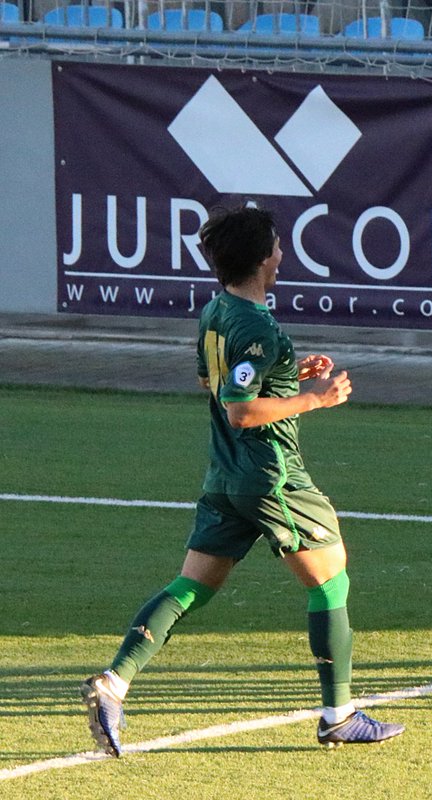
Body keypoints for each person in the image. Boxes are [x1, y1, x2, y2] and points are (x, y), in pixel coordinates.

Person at [80, 205, 405, 756]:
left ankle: (113, 684)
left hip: (225, 476)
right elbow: (240, 409)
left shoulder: (217, 311)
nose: (282, 254)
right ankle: (338, 715)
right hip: (269, 474)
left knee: (191, 587)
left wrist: (286, 375)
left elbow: (217, 379)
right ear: (261, 259)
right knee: (330, 581)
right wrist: (315, 397)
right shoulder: (255, 323)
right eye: (276, 246)